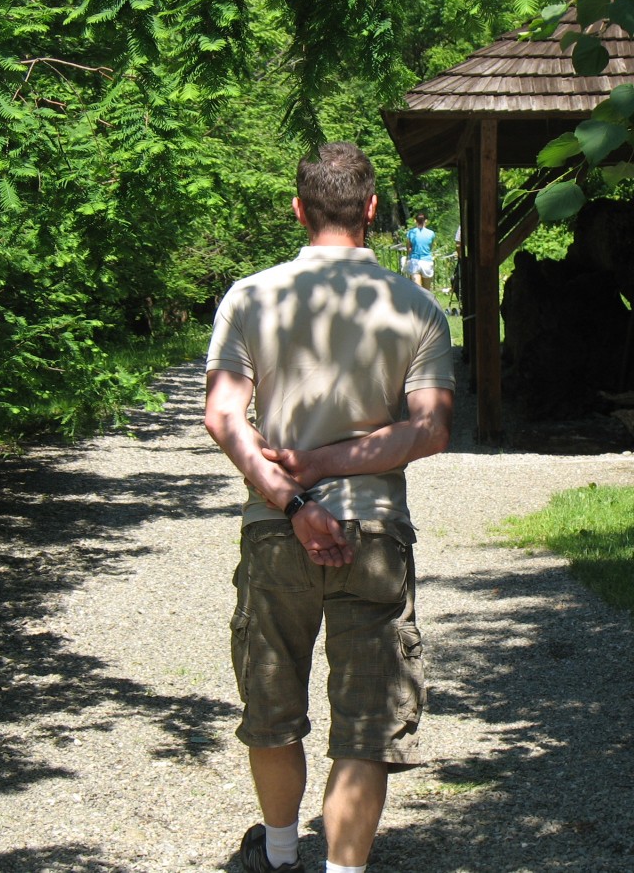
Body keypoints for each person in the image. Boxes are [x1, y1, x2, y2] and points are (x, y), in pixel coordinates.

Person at [204, 142, 455, 873]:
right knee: (365, 721)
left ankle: (280, 858)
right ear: (373, 209)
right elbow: (430, 429)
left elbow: (224, 416)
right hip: (375, 532)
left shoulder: (250, 297)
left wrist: (292, 494)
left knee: (273, 703)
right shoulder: (416, 306)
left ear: (298, 208)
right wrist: (332, 463)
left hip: (277, 534)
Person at [405, 212, 436, 291]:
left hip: (415, 261)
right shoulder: (431, 233)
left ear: (415, 221)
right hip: (427, 262)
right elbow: (430, 246)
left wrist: (408, 258)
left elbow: (408, 248)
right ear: (426, 221)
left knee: (417, 290)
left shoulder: (411, 233)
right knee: (426, 290)